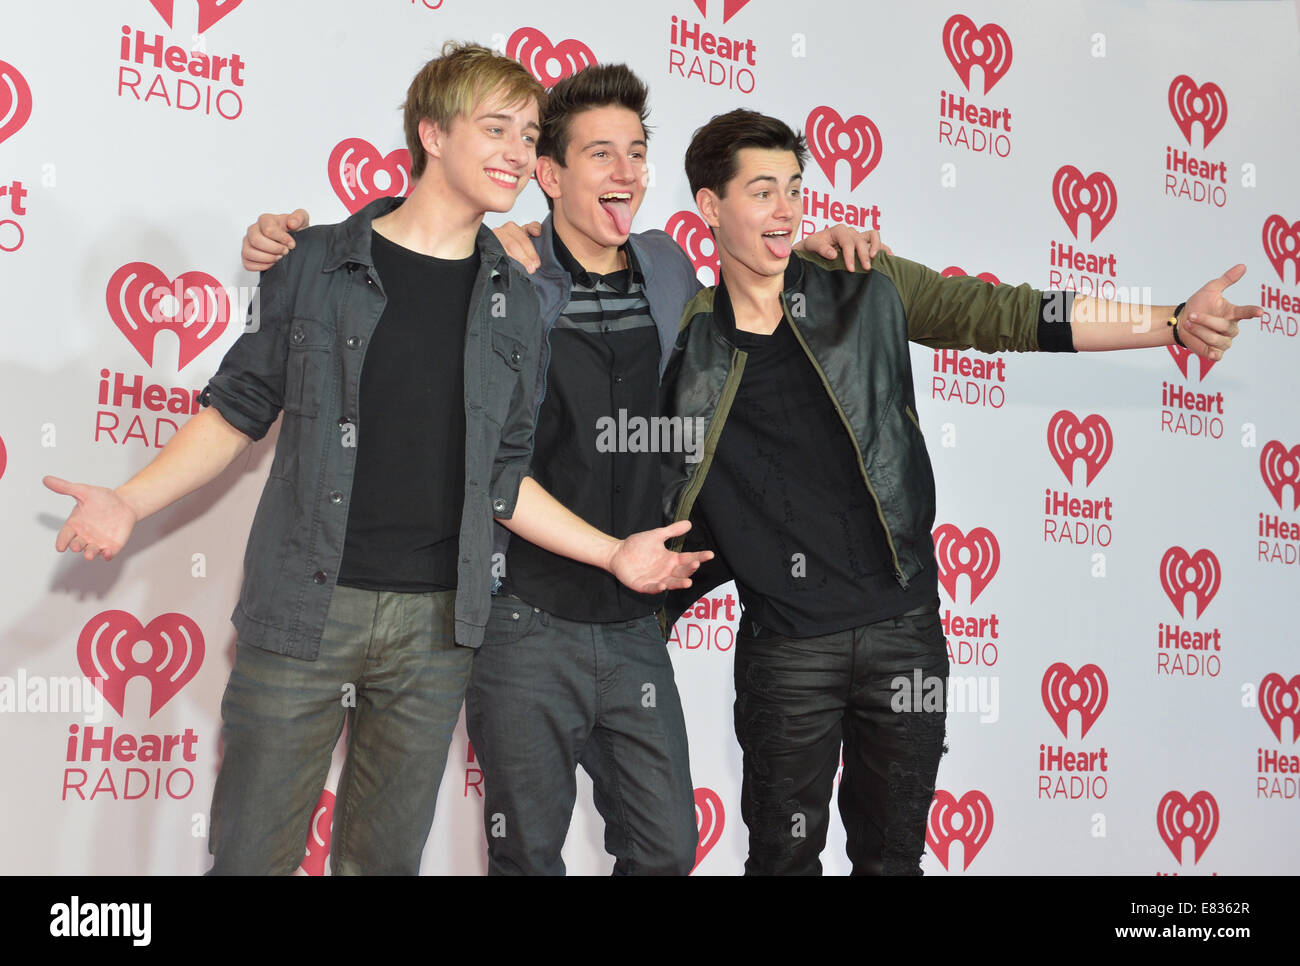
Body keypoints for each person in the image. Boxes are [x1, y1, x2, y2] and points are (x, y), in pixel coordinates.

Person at [43, 43, 708, 876]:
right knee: (251, 860)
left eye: (527, 132)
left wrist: (615, 552)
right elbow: (238, 407)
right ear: (432, 133)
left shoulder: (516, 297)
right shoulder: (317, 262)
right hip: (304, 614)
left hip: (437, 632)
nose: (514, 150)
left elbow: (503, 478)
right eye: (494, 128)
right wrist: (130, 504)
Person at [242, 65, 883, 875]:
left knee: (667, 847)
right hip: (521, 617)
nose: (628, 174)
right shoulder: (500, 272)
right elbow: (401, 247)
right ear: (549, 175)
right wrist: (286, 243)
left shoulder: (668, 270)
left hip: (633, 616)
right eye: (603, 155)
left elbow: (754, 282)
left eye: (638, 154)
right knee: (527, 855)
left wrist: (812, 247)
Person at [659, 108, 1260, 875]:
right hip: (786, 652)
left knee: (895, 862)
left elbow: (1002, 314)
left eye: (796, 190)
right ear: (710, 207)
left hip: (903, 631)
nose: (786, 210)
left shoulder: (863, 286)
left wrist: (1172, 322)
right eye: (763, 191)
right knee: (781, 863)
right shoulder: (682, 331)